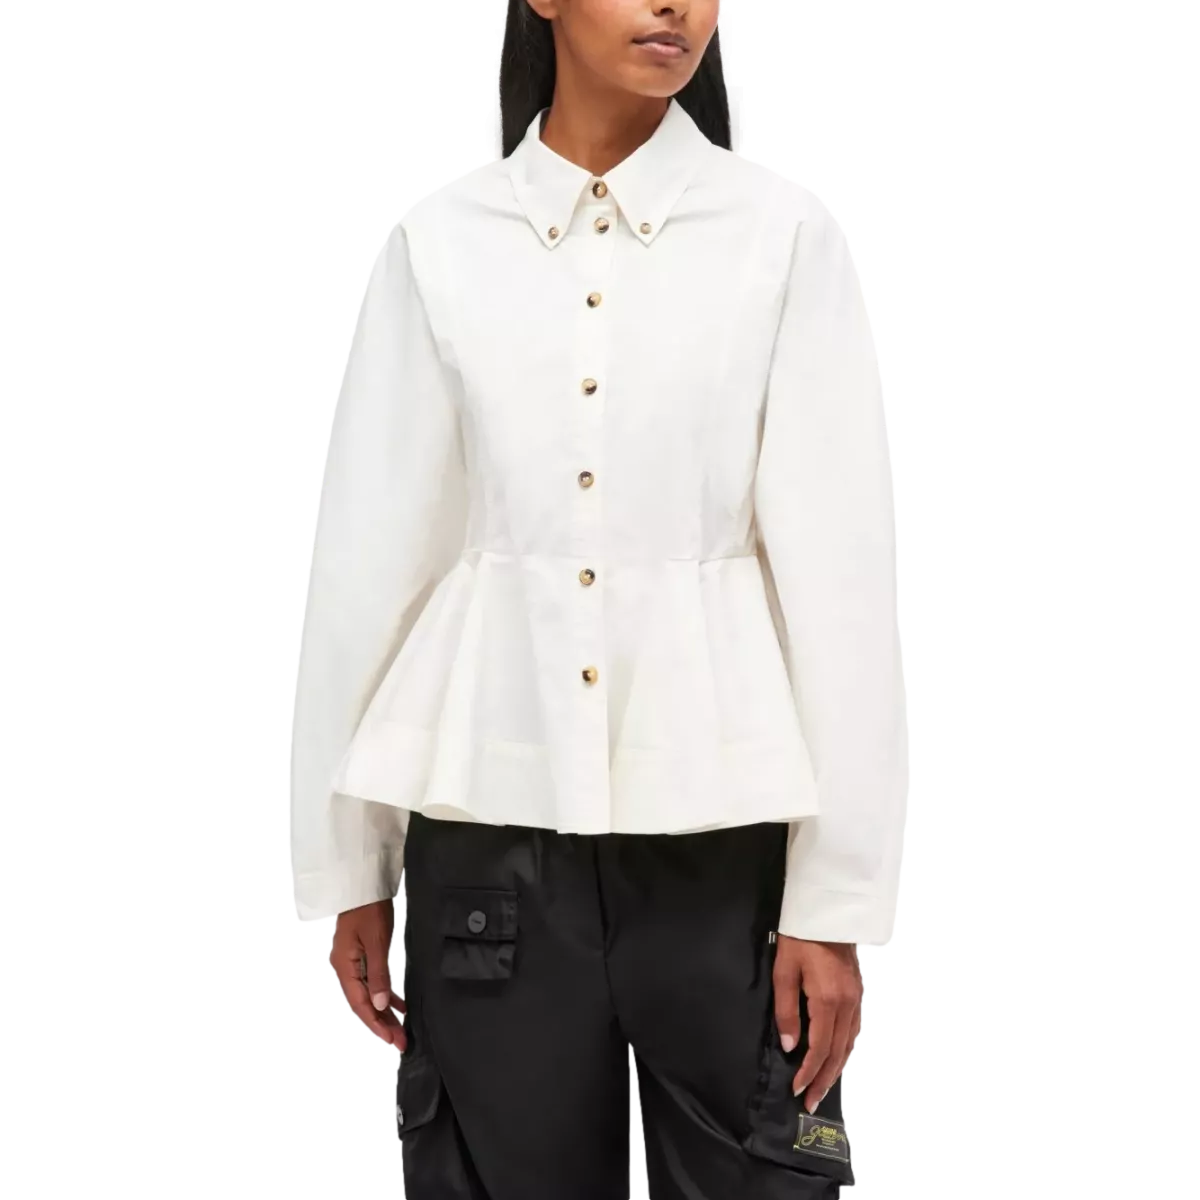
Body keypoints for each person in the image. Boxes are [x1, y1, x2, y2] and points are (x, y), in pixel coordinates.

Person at [289, 1, 899, 1196]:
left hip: (726, 849)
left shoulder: (785, 236)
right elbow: (369, 567)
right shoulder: (438, 241)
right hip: (486, 839)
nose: (673, 6)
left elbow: (845, 591)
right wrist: (345, 864)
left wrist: (838, 898)